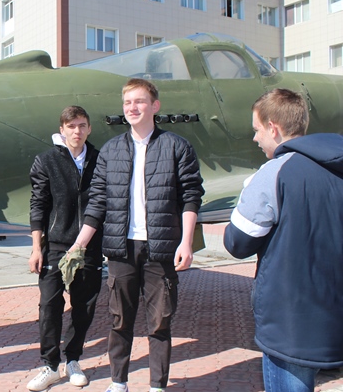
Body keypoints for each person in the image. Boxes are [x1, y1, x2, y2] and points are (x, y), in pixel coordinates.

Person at [69, 78, 204, 392]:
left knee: (160, 323)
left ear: (155, 106)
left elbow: (191, 196)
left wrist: (186, 242)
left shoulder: (177, 146)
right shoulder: (111, 150)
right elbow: (98, 202)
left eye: (140, 101)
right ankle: (119, 382)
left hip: (161, 249)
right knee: (120, 320)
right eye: (128, 102)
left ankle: (157, 386)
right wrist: (79, 244)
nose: (133, 107)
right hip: (121, 249)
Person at [223, 88, 343, 392]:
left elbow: (237, 243)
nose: (255, 138)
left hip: (290, 320)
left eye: (257, 130)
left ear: (273, 128)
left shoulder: (274, 172)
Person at [26, 106, 103, 391]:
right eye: (71, 126)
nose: (77, 131)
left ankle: (73, 360)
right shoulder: (46, 161)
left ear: (89, 128)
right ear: (62, 130)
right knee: (49, 306)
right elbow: (38, 205)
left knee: (84, 306)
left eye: (82, 125)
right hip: (55, 245)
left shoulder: (100, 160)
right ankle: (49, 365)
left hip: (89, 246)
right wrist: (36, 248)